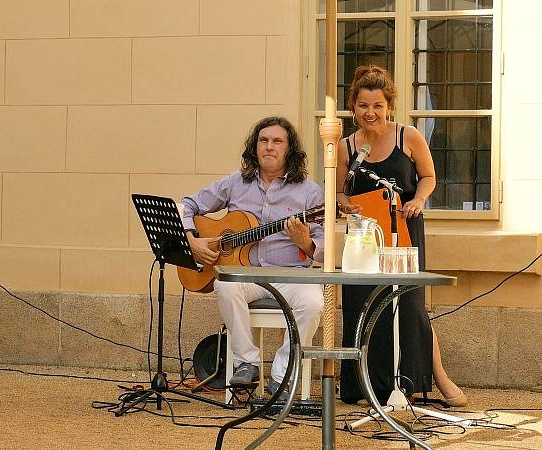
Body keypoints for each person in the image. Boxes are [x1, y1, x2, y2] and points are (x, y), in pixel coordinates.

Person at [336, 65, 467, 406]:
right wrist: (345, 204)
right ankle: (368, 385)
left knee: (409, 304)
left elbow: (428, 177)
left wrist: (419, 200)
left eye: (377, 105)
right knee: (365, 306)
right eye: (363, 105)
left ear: (389, 105)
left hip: (404, 230)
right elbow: (339, 193)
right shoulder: (346, 146)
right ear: (354, 107)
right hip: (365, 236)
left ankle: (433, 377)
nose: (370, 112)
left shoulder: (408, 136)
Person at [182, 116, 324, 399]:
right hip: (247, 275)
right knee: (225, 283)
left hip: (291, 275)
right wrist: (192, 241)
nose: (269, 147)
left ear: (289, 149)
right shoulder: (235, 183)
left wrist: (304, 242)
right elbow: (186, 204)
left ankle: (282, 377)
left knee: (313, 305)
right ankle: (246, 361)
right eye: (263, 140)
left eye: (277, 141)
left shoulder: (310, 193)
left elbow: (323, 247)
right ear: (255, 146)